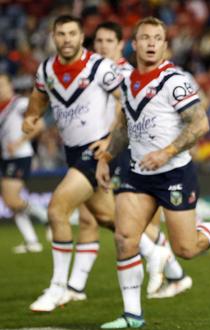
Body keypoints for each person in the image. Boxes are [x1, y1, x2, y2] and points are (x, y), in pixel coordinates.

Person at [95, 16, 210, 329]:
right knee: (125, 238)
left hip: (173, 174)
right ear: (134, 44)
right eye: (145, 38)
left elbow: (200, 124)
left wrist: (166, 152)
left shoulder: (175, 81)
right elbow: (125, 125)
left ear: (165, 46)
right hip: (138, 173)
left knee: (186, 249)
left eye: (158, 38)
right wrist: (106, 156)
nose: (151, 43)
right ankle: (132, 314)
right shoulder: (124, 81)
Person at [23, 15, 126, 312]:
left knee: (57, 208)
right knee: (107, 218)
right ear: (53, 37)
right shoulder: (47, 69)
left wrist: (111, 140)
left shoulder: (100, 67)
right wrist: (32, 116)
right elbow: (38, 97)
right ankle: (159, 253)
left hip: (96, 151)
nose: (67, 39)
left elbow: (127, 99)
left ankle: (58, 288)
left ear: (82, 37)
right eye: (61, 34)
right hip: (72, 152)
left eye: (72, 33)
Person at [93, 21, 191, 299]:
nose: (102, 47)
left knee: (115, 218)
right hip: (117, 149)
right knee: (106, 219)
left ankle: (160, 258)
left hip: (135, 153)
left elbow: (122, 117)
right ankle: (167, 270)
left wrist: (167, 148)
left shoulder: (123, 74)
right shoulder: (108, 74)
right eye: (98, 41)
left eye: (108, 41)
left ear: (120, 44)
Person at [0, 72, 47, 253]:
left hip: (20, 155)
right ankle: (31, 241)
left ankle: (44, 215)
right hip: (6, 157)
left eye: (3, 84)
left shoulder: (19, 104)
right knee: (10, 202)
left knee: (12, 199)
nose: (1, 89)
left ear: (11, 86)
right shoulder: (2, 108)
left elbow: (39, 124)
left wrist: (20, 142)